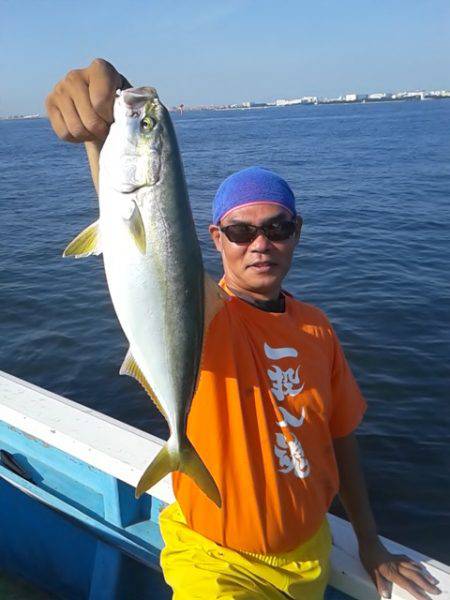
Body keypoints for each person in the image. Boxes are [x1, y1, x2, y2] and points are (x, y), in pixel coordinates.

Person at [46, 59, 441, 600]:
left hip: (308, 558)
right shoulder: (208, 311)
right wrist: (107, 133)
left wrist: (369, 542)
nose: (261, 243)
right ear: (215, 237)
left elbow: (341, 438)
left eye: (278, 227)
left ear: (297, 233)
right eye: (241, 230)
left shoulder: (318, 330)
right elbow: (145, 244)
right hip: (215, 562)